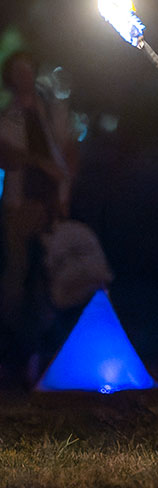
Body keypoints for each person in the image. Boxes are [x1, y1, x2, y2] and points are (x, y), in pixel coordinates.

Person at [0, 51, 74, 384]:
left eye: (29, 70)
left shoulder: (52, 112)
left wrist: (63, 194)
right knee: (16, 279)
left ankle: (46, 357)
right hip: (20, 205)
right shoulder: (7, 118)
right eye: (18, 72)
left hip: (50, 205)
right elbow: (7, 157)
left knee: (50, 278)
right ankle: (14, 357)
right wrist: (37, 162)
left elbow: (67, 151)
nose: (25, 77)